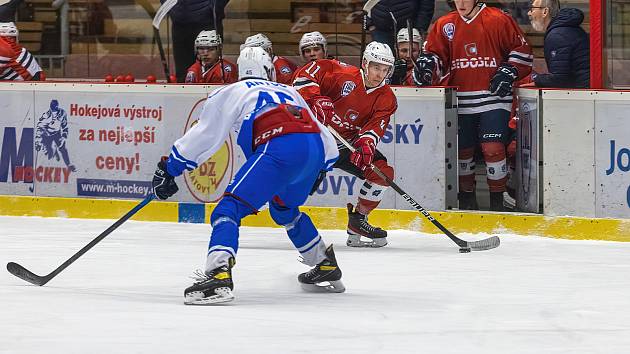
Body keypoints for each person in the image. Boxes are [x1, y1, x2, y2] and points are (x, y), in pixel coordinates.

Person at [151, 46, 344, 305]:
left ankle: (218, 274)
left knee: (227, 209)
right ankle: (323, 263)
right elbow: (325, 137)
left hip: (279, 147)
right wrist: (322, 167)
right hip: (315, 151)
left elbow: (206, 134)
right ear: (269, 70)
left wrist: (170, 168)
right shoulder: (290, 92)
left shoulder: (231, 90)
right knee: (284, 209)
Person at [414, 0, 533, 211]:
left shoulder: (498, 19)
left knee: (493, 149)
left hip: (494, 97)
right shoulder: (444, 24)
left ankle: (499, 200)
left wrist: (509, 70)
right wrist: (428, 66)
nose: (460, 2)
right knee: (463, 152)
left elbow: (521, 50)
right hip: (461, 99)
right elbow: (436, 57)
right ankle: (467, 200)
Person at [293, 41, 397, 248]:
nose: (380, 74)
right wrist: (315, 99)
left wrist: (366, 144)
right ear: (365, 63)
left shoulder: (387, 98)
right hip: (315, 142)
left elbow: (374, 127)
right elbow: (303, 77)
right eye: (376, 67)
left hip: (344, 147)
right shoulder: (339, 73)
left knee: (382, 173)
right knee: (292, 193)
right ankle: (243, 204)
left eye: (385, 70)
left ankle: (358, 221)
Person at [162, 0, 230, 83]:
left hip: (209, 20)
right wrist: (171, 8)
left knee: (214, 71)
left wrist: (215, 6)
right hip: (180, 24)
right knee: (183, 75)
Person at [527, 0, 589, 88]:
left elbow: (560, 79)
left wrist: (536, 79)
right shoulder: (565, 29)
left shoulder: (557, 35)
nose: (529, 13)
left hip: (583, 93)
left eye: (532, 9)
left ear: (545, 12)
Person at [368, 0, 435, 51]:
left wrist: (419, 27)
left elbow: (427, 5)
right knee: (381, 64)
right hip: (380, 29)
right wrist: (370, 24)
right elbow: (367, 3)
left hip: (410, 30)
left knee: (408, 64)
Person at [35, 100, 76, 172]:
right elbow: (39, 129)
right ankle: (52, 151)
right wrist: (38, 142)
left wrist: (64, 135)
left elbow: (64, 125)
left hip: (57, 133)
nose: (55, 114)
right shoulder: (46, 116)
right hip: (47, 135)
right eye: (53, 111)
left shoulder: (62, 113)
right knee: (49, 154)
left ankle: (69, 164)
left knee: (63, 148)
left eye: (55, 111)